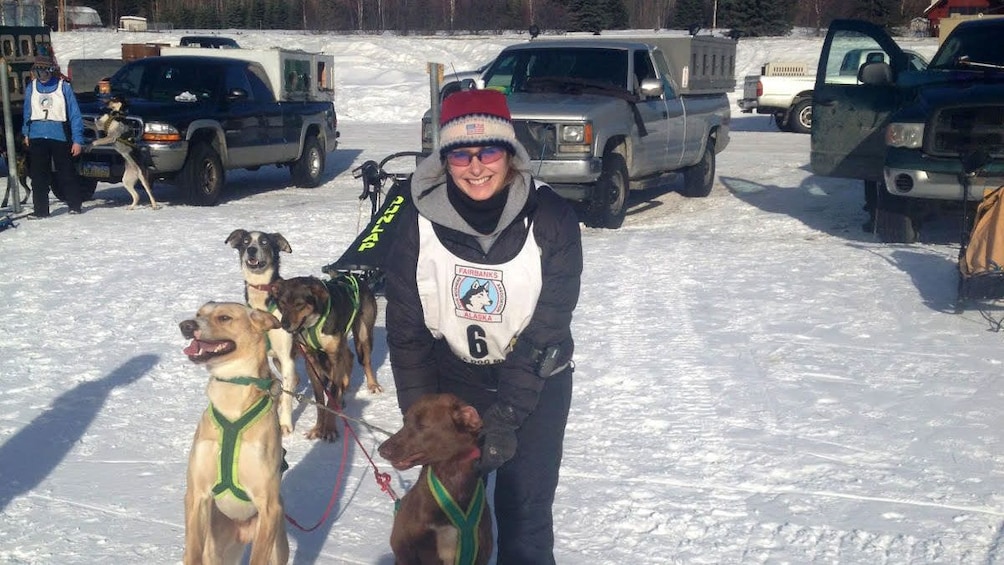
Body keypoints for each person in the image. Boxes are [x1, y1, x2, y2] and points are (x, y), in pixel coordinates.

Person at [382, 89, 582, 564]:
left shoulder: (552, 217)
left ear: (510, 153)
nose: (476, 167)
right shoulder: (415, 221)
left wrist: (507, 417)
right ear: (444, 158)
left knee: (524, 515)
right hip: (455, 380)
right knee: (439, 517)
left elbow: (547, 329)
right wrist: (421, 421)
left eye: (489, 150)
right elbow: (407, 333)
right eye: (460, 153)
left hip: (535, 381)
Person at [22, 59, 85, 218]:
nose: (40, 76)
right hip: (37, 135)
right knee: (38, 176)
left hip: (59, 135)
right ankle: (41, 210)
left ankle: (74, 205)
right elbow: (27, 112)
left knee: (66, 172)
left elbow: (75, 115)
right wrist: (26, 132)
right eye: (37, 72)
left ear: (50, 71)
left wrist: (77, 139)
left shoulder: (63, 87)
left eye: (43, 72)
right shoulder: (32, 88)